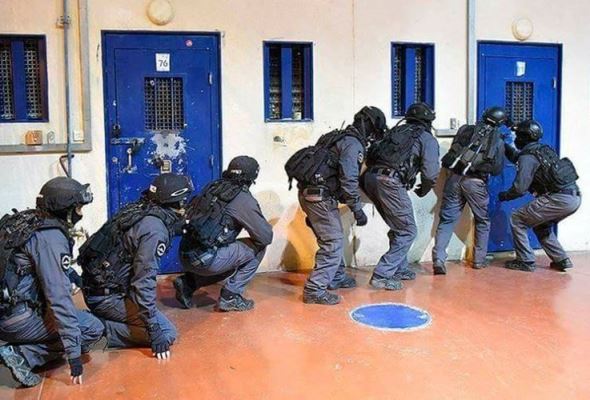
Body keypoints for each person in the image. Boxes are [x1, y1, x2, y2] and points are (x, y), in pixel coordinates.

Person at [0, 177, 103, 387]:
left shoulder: (26, 221)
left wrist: (72, 275)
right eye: (78, 208)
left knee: (77, 322)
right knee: (92, 327)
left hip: (6, 311)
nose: (80, 213)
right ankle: (22, 354)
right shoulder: (51, 236)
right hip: (17, 320)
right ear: (66, 209)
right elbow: (59, 298)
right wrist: (74, 355)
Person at [78, 173, 193, 360]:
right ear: (176, 201)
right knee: (167, 333)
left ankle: (96, 322)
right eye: (183, 200)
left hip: (98, 287)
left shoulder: (140, 209)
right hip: (108, 297)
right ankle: (96, 327)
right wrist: (152, 327)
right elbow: (143, 281)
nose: (185, 205)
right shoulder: (155, 231)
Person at [288, 106, 387, 305]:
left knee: (334, 237)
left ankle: (336, 276)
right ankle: (315, 289)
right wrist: (357, 210)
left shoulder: (334, 137)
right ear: (369, 127)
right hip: (320, 198)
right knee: (332, 243)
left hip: (309, 194)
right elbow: (349, 180)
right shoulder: (353, 144)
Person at [174, 156, 273, 311]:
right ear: (252, 177)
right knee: (258, 248)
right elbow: (265, 237)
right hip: (205, 260)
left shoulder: (214, 186)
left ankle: (188, 283)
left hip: (184, 254)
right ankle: (230, 296)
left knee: (232, 258)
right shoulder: (242, 198)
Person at [361, 102, 440, 289]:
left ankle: (399, 268)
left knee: (398, 227)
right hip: (389, 181)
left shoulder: (395, 132)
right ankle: (382, 275)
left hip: (369, 178)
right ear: (428, 121)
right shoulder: (426, 138)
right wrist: (425, 188)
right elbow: (430, 173)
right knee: (407, 230)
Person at [431, 107, 507, 274]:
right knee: (483, 220)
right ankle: (479, 261)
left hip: (454, 178)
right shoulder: (498, 140)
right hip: (475, 182)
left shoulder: (465, 130)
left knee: (447, 220)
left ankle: (438, 259)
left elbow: (453, 152)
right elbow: (496, 169)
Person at [499, 120, 581, 271]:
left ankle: (526, 261)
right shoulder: (543, 150)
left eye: (518, 135)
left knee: (517, 219)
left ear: (523, 138)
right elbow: (519, 158)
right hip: (573, 197)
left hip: (558, 199)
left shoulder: (527, 157)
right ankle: (561, 260)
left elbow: (520, 188)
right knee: (541, 225)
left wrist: (505, 196)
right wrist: (505, 146)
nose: (516, 138)